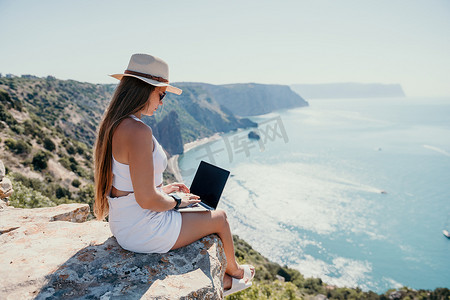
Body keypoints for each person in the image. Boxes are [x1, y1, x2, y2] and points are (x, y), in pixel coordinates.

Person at [93, 53, 255, 296]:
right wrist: (177, 201)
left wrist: (164, 191)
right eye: (162, 94)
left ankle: (229, 276)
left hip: (124, 224)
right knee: (219, 217)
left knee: (202, 210)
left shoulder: (116, 124)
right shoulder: (138, 131)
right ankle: (235, 275)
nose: (162, 102)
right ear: (146, 90)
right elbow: (147, 201)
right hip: (143, 230)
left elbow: (126, 184)